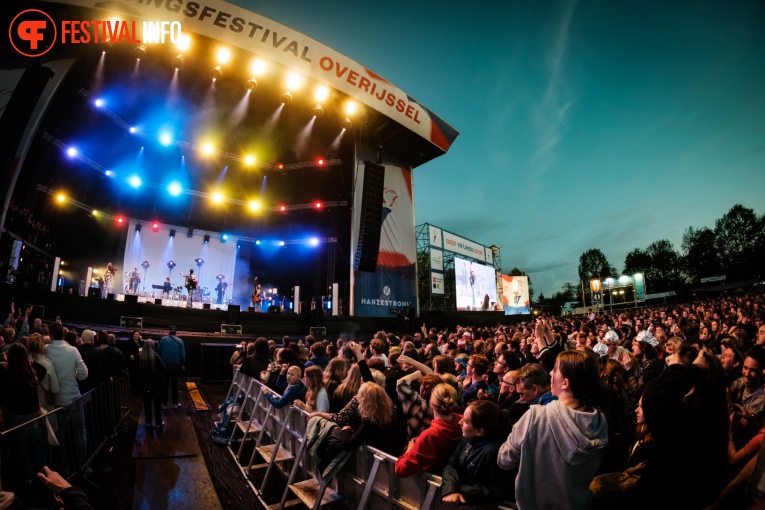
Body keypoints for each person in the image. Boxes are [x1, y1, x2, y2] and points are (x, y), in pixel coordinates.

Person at [498, 350, 609, 510]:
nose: (550, 372)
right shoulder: (600, 420)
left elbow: (504, 460)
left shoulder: (535, 417)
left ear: (565, 383)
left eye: (555, 369)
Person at [441, 400, 511, 505]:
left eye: (465, 421)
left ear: (480, 431)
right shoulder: (468, 437)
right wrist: (450, 488)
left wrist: (462, 491)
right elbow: (452, 463)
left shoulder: (494, 452)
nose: (460, 422)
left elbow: (499, 490)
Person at [0, 343, 47, 489]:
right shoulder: (31, 374)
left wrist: (4, 364)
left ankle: (29, 482)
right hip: (33, 417)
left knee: (22, 453)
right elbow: (42, 369)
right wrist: (30, 362)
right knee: (38, 451)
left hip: (15, 420)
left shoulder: (6, 377)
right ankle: (44, 480)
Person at [395, 383, 462, 478]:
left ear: (431, 404)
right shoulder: (462, 422)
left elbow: (400, 469)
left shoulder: (430, 435)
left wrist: (410, 448)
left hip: (429, 488)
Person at [138, 340, 166, 428]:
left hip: (145, 384)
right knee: (157, 404)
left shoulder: (140, 357)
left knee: (147, 403)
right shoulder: (156, 357)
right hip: (156, 385)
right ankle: (158, 422)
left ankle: (148, 421)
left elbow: (137, 371)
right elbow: (163, 369)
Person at [156, 326, 186, 409]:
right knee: (175, 385)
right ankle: (175, 404)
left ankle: (164, 404)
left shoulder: (163, 339)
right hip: (176, 366)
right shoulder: (180, 341)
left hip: (164, 365)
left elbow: (158, 351)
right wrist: (183, 364)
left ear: (169, 332)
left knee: (164, 385)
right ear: (176, 332)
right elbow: (182, 355)